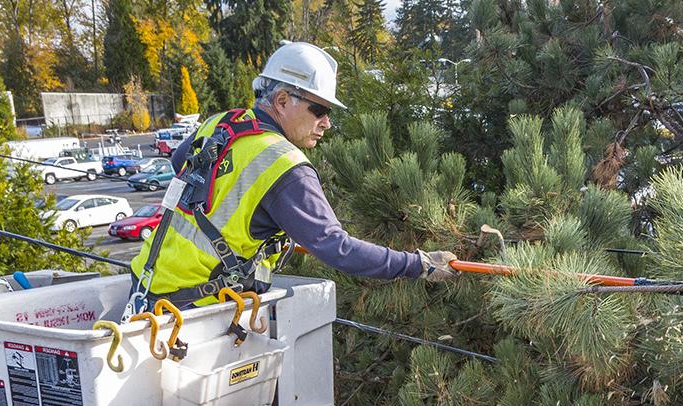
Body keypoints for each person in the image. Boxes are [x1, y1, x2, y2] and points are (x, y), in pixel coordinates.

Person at [129, 41, 457, 310]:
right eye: (320, 110)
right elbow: (337, 248)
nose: (327, 123)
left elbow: (179, 164)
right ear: (283, 100)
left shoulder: (221, 123)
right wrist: (419, 264)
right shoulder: (283, 164)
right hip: (195, 310)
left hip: (147, 284)